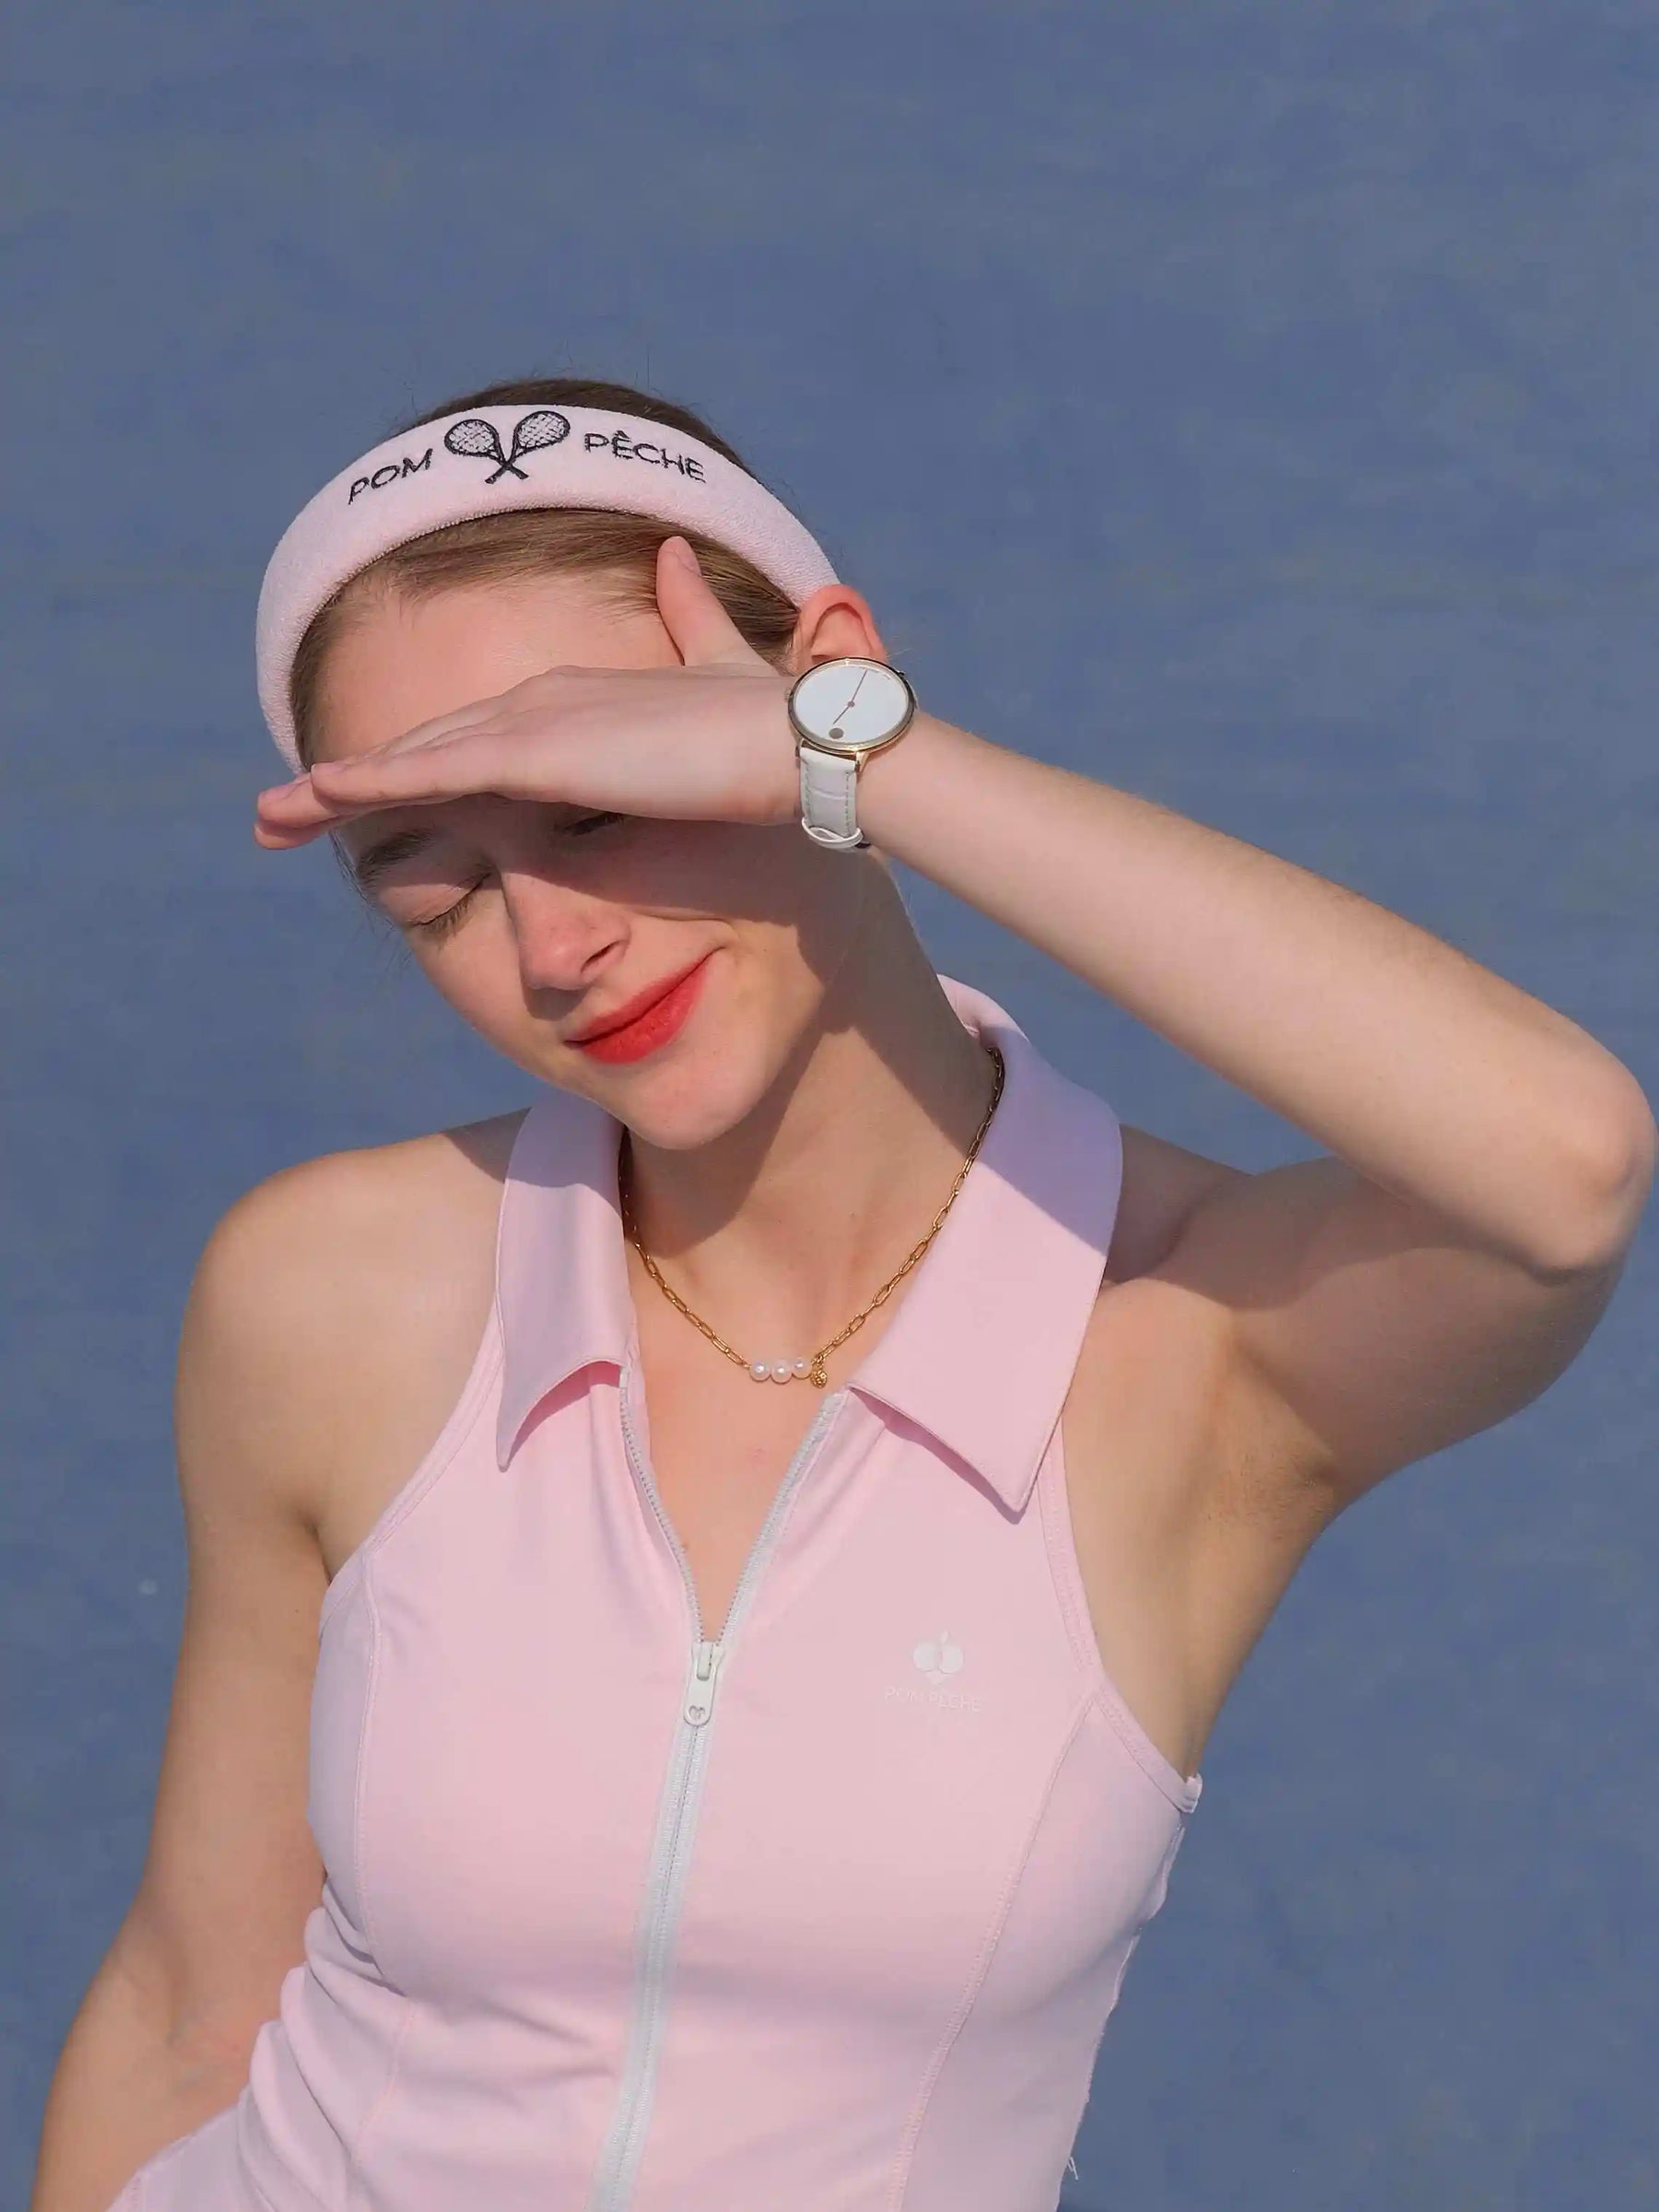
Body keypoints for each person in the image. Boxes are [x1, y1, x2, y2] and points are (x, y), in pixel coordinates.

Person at [31, 374, 1653, 2212]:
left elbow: (1564, 1169)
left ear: (821, 684)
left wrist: (858, 761)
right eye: (436, 892)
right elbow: (190, 2002)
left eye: (605, 799)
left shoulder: (1188, 1336)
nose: (554, 945)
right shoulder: (329, 1290)